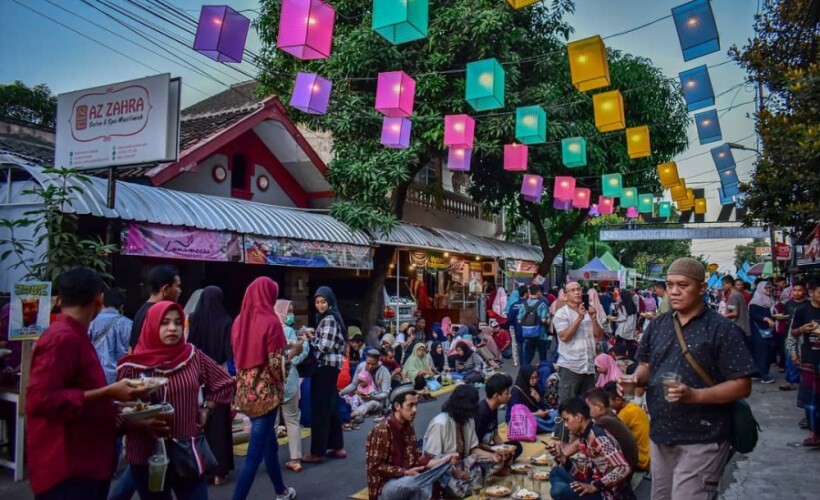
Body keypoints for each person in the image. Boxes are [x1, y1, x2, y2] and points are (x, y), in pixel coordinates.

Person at [628, 258, 756, 500]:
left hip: (703, 437)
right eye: (670, 284)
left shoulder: (721, 329)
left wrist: (695, 395)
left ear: (702, 288)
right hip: (662, 433)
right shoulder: (658, 325)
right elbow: (646, 365)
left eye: (683, 285)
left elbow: (742, 385)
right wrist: (635, 378)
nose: (674, 291)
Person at [26, 268, 153, 499]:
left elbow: (84, 399)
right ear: (99, 300)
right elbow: (40, 401)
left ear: (58, 300)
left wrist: (128, 418)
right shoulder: (62, 338)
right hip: (69, 468)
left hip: (87, 461)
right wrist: (108, 392)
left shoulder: (75, 334)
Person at [118, 301, 235, 499]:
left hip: (186, 451)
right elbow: (116, 410)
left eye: (177, 323)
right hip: (146, 455)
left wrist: (207, 408)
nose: (172, 328)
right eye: (164, 323)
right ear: (152, 326)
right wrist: (139, 422)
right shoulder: (132, 367)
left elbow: (224, 383)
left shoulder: (192, 357)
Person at [230, 278, 296, 500]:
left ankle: (281, 490)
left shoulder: (239, 321)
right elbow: (277, 367)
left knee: (270, 446)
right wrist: (293, 353)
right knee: (254, 457)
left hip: (245, 395)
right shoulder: (271, 322)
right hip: (266, 397)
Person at [365, 385, 457, 499]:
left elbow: (415, 459)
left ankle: (426, 489)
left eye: (416, 405)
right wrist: (404, 472)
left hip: (412, 475)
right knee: (410, 484)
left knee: (444, 460)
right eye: (410, 405)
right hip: (388, 487)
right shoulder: (381, 430)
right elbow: (375, 467)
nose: (415, 410)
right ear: (397, 406)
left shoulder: (409, 425)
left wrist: (443, 460)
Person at [187, 286, 235, 484]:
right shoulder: (226, 321)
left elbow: (189, 346)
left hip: (197, 377)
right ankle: (219, 472)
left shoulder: (194, 319)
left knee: (199, 424)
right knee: (220, 425)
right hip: (219, 377)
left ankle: (200, 466)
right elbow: (229, 353)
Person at [422, 385, 503, 497]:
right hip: (445, 468)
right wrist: (456, 472)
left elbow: (473, 449)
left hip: (464, 464)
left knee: (497, 461)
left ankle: (472, 484)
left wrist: (492, 455)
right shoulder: (441, 423)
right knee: (458, 489)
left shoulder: (468, 419)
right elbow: (431, 459)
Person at [546, 398, 634, 500]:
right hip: (592, 483)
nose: (565, 425)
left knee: (559, 491)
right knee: (556, 471)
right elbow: (582, 475)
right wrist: (562, 457)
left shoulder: (599, 438)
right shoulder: (585, 437)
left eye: (567, 420)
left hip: (607, 494)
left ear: (579, 417)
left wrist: (595, 486)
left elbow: (624, 468)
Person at [303, 286, 347, 463]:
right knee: (332, 405)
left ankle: (317, 451)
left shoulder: (328, 319)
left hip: (325, 367)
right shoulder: (331, 317)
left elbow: (324, 346)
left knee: (320, 408)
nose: (320, 305)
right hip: (332, 366)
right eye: (317, 302)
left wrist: (308, 338)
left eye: (323, 301)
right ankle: (337, 447)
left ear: (330, 302)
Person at [553, 282, 607, 404]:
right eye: (572, 290)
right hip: (570, 365)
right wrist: (579, 318)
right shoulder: (561, 314)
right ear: (566, 295)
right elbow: (564, 337)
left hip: (588, 365)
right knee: (568, 405)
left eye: (579, 289)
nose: (577, 292)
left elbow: (600, 335)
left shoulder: (588, 311)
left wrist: (593, 318)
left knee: (588, 404)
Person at [274, 299, 309, 473]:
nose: (291, 315)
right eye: (288, 311)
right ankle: (295, 459)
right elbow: (296, 356)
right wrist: (306, 343)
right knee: (292, 420)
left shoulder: (270, 330)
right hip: (289, 380)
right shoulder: (289, 331)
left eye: (292, 311)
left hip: (272, 382)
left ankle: (270, 457)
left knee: (272, 423)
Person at [791, 278, 820, 447]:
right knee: (811, 400)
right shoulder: (802, 311)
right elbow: (793, 332)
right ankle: (815, 434)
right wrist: (802, 329)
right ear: (812, 293)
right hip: (809, 359)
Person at [584, 389, 640, 475]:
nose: (586, 412)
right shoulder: (610, 416)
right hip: (631, 464)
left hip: (624, 470)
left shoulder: (603, 421)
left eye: (588, 408)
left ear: (599, 407)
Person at [129, 264, 181, 351]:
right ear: (165, 289)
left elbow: (131, 348)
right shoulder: (155, 313)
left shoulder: (142, 310)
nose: (180, 291)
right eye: (177, 286)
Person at [88, 288, 133, 385]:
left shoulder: (91, 322)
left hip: (96, 373)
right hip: (121, 375)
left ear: (102, 303)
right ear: (121, 306)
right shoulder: (129, 324)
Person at [603, 382, 650, 472]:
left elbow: (608, 434)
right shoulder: (632, 407)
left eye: (608, 402)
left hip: (641, 461)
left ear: (618, 400)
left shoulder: (626, 413)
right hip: (648, 457)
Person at [476, 373, 521, 469]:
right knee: (498, 458)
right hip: (479, 449)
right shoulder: (482, 412)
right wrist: (496, 450)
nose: (510, 395)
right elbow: (476, 444)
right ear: (496, 395)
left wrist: (504, 448)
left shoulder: (494, 407)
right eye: (506, 393)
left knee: (516, 446)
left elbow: (495, 434)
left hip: (489, 446)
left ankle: (504, 463)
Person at [508, 365, 555, 433]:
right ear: (526, 377)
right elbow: (516, 415)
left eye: (536, 378)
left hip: (537, 415)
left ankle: (552, 425)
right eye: (532, 378)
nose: (535, 381)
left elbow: (542, 406)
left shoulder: (535, 387)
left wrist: (538, 399)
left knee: (556, 412)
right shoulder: (516, 391)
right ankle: (554, 427)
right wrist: (536, 414)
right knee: (534, 420)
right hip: (519, 419)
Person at [748, 281, 777, 384]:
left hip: (769, 330)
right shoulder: (755, 301)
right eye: (766, 288)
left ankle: (758, 373)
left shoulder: (770, 300)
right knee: (762, 352)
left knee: (768, 351)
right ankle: (764, 375)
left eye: (770, 288)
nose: (768, 290)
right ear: (760, 289)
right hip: (758, 331)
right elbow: (753, 314)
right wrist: (766, 319)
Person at [782, 281, 808, 391]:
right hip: (791, 333)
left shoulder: (808, 305)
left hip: (805, 335)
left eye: (799, 290)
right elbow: (785, 316)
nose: (797, 293)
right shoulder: (789, 303)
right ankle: (790, 381)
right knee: (790, 357)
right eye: (795, 290)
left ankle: (804, 381)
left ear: (805, 291)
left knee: (804, 359)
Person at [522, 284, 551, 365]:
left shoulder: (524, 304)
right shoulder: (542, 304)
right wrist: (548, 321)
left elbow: (519, 319)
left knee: (528, 355)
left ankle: (524, 372)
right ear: (538, 292)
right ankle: (542, 373)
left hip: (528, 333)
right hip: (541, 333)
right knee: (542, 356)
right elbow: (544, 320)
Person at [721, 275, 751, 346]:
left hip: (738, 329)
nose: (723, 287)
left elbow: (734, 313)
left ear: (729, 284)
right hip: (744, 328)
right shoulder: (739, 294)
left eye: (723, 284)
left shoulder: (733, 296)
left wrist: (723, 316)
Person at [614, 289, 638, 353]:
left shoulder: (622, 306)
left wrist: (615, 320)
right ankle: (631, 358)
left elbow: (622, 318)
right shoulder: (633, 305)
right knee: (629, 344)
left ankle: (619, 356)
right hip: (631, 327)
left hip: (623, 328)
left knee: (618, 344)